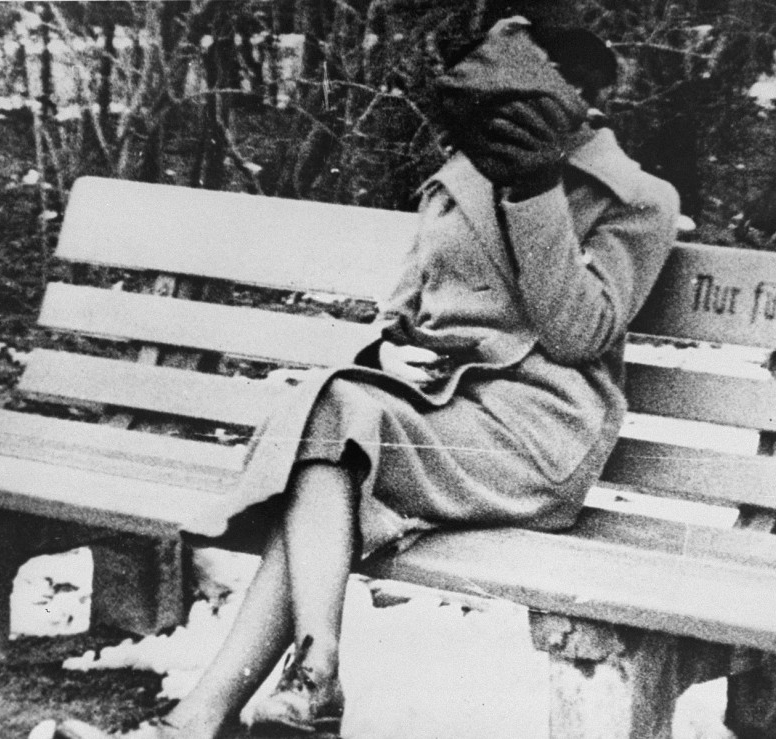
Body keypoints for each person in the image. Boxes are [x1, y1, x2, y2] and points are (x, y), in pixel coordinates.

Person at [52, 12, 679, 739]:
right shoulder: (463, 175)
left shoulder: (636, 200)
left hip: (536, 432)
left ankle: (256, 699)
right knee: (331, 430)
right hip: (439, 411)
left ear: (581, 100)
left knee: (331, 431)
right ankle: (251, 698)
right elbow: (409, 300)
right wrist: (399, 344)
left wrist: (535, 193)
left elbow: (579, 335)